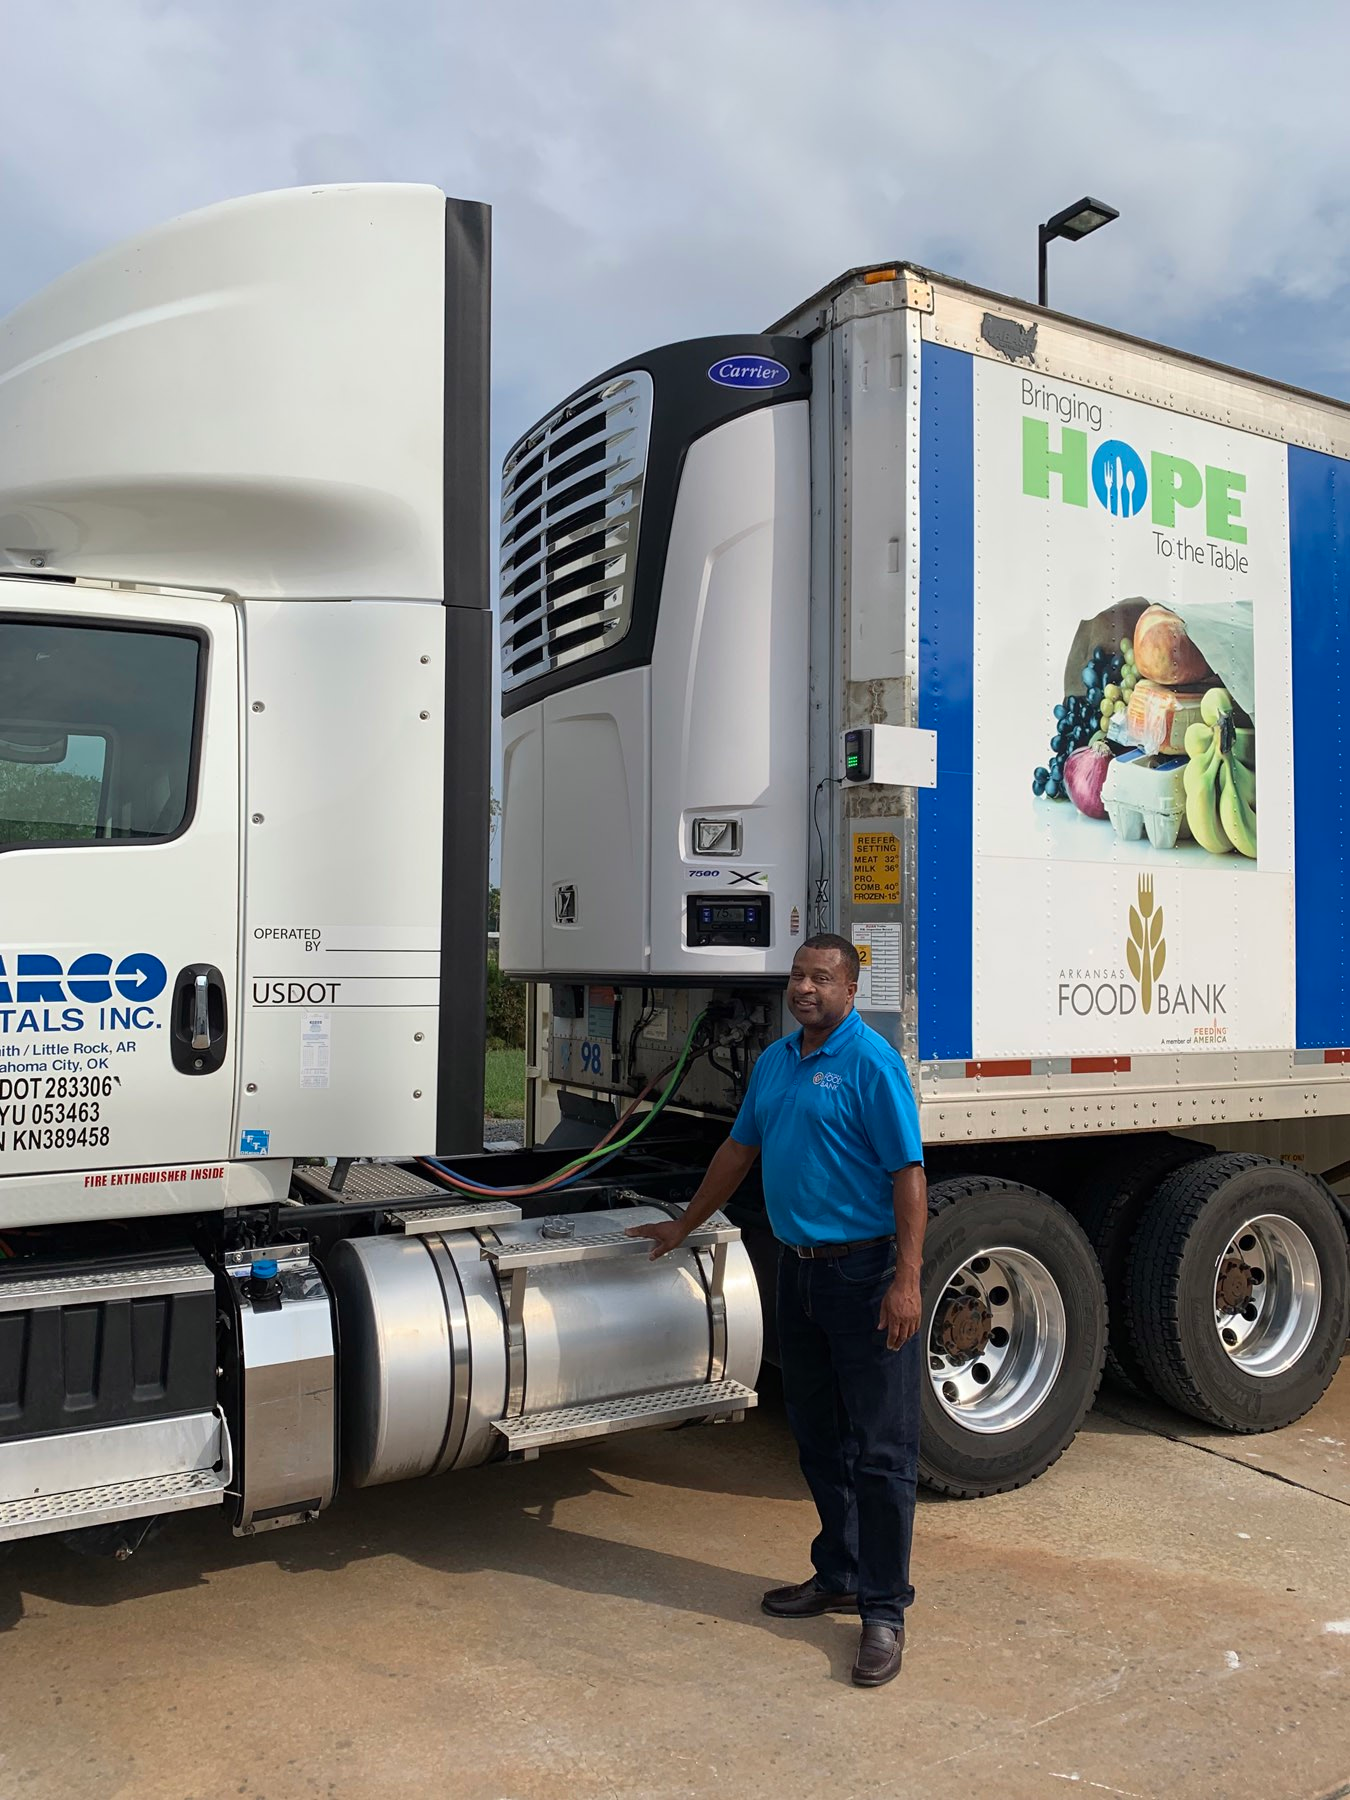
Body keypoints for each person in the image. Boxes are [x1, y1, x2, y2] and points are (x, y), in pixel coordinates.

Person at [628, 933, 926, 1689]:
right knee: (817, 1437)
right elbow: (738, 1151)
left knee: (883, 1452)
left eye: (821, 978)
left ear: (850, 990)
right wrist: (683, 1224)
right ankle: (840, 1573)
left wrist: (907, 1281)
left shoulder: (870, 1063)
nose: (805, 988)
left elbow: (908, 1175)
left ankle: (884, 1612)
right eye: (797, 975)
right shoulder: (776, 1062)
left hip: (863, 1276)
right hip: (796, 1273)